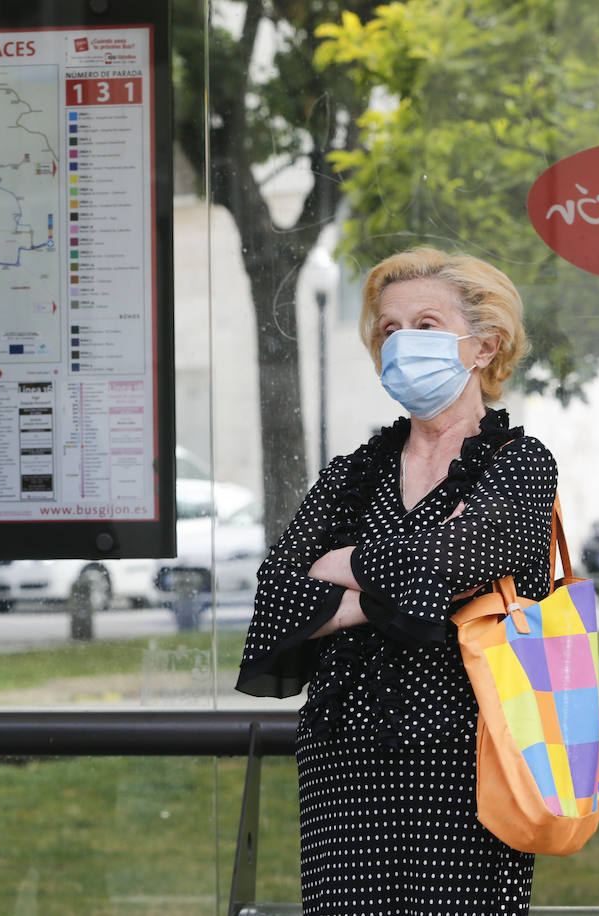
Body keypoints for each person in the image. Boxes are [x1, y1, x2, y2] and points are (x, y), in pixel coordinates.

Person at [236, 248, 556, 914]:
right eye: (390, 330)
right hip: (342, 761)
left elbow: (447, 566)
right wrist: (408, 586)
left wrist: (344, 568)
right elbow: (274, 598)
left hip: (472, 756)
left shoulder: (519, 465)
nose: (402, 343)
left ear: (484, 344)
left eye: (428, 325)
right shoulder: (353, 473)